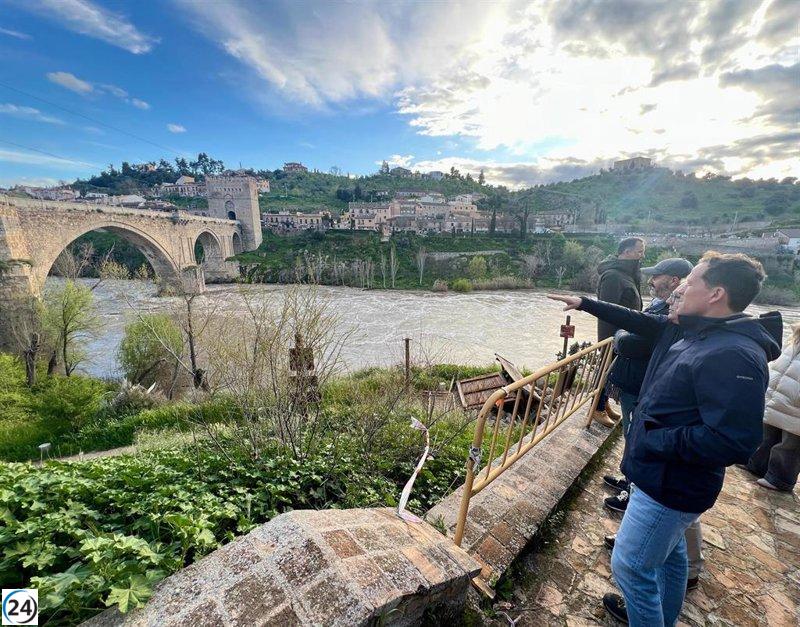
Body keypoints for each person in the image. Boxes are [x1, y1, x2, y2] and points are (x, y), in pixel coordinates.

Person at [548, 251, 782, 627]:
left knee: (630, 565)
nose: (682, 288)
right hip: (661, 475)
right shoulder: (704, 333)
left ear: (716, 294)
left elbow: (733, 441)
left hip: (669, 483)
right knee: (671, 558)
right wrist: (586, 303)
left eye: (692, 283)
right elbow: (639, 322)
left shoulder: (732, 354)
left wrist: (656, 438)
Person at [602, 258, 693, 516]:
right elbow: (626, 330)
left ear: (674, 280)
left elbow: (629, 342)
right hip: (633, 383)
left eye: (657, 276)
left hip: (640, 385)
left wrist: (620, 337)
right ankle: (628, 480)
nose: (651, 280)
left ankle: (631, 492)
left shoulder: (671, 315)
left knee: (635, 438)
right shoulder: (659, 307)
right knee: (630, 436)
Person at [593, 237, 646, 428]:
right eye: (639, 251)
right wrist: (610, 341)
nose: (642, 255)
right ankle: (596, 408)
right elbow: (606, 310)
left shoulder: (629, 275)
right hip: (613, 336)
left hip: (624, 334)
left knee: (613, 371)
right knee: (606, 370)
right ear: (626, 252)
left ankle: (604, 403)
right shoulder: (613, 276)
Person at [744, 321, 800, 492]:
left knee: (790, 444)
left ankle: (780, 478)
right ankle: (756, 465)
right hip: (780, 394)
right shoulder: (796, 336)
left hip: (795, 401)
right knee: (767, 433)